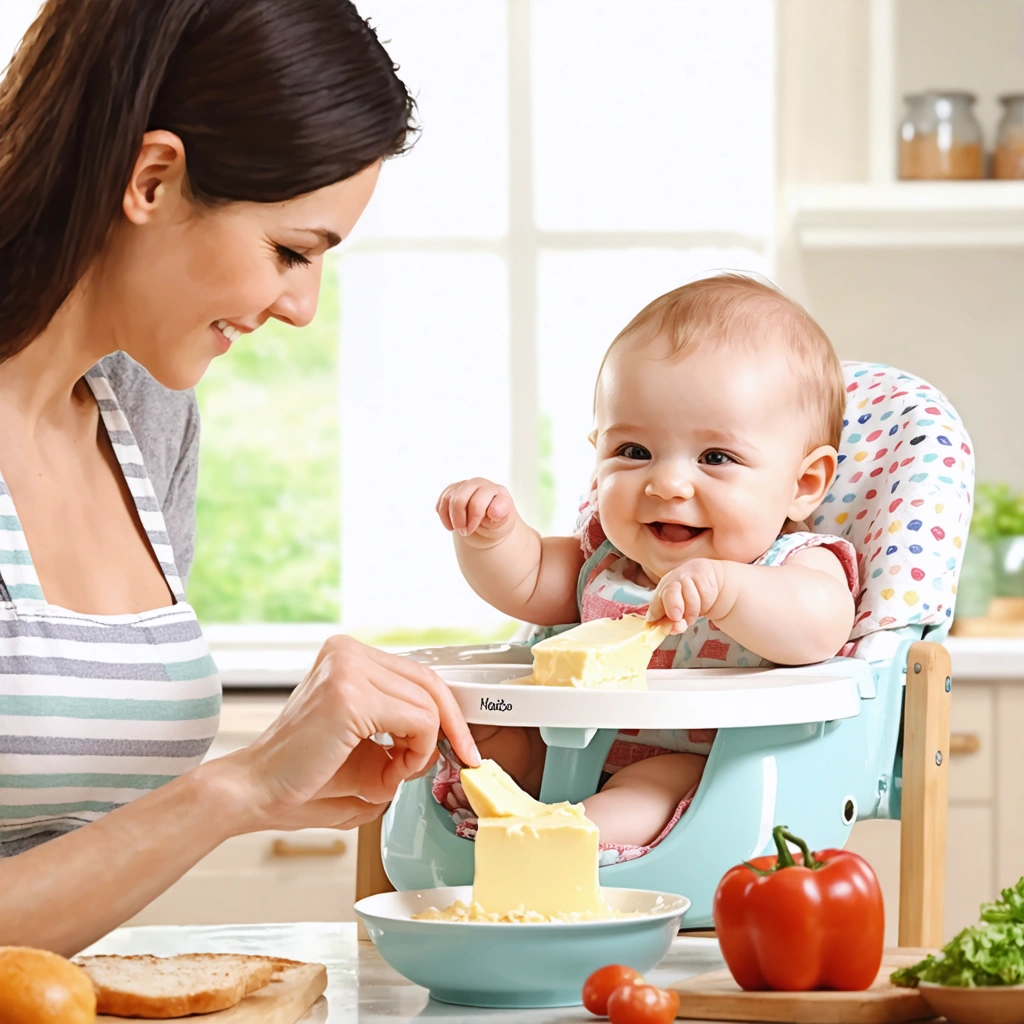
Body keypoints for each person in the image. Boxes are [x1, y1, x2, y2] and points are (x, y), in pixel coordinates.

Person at [0, 0, 478, 956]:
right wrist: (238, 786)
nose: (301, 306)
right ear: (154, 177)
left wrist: (269, 786)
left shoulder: (145, 414)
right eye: (289, 252)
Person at [435, 275, 857, 856]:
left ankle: (558, 839)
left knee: (654, 784)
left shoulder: (795, 564)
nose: (667, 483)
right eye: (634, 452)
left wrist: (729, 591)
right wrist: (491, 536)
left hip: (697, 765)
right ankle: (504, 818)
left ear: (804, 485)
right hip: (566, 747)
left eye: (716, 458)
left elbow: (820, 624)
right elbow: (526, 580)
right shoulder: (608, 561)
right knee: (479, 731)